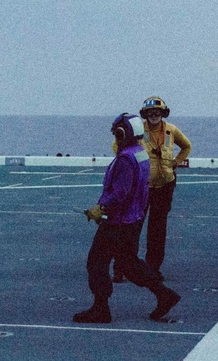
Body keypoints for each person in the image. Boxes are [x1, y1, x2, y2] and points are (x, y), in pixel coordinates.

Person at [73, 113, 181, 324]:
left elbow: (120, 193)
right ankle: (164, 294)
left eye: (116, 133)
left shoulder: (125, 158)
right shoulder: (141, 153)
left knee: (96, 262)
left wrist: (100, 209)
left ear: (122, 133)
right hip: (133, 220)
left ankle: (101, 308)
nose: (114, 136)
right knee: (129, 264)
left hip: (117, 222)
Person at [112, 97, 192, 282]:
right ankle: (121, 267)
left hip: (165, 185)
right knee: (131, 226)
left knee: (157, 229)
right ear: (145, 114)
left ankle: (152, 268)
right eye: (150, 112)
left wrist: (175, 163)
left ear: (163, 113)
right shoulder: (137, 130)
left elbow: (187, 146)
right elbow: (116, 146)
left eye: (157, 112)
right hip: (141, 187)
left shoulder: (171, 130)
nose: (154, 115)